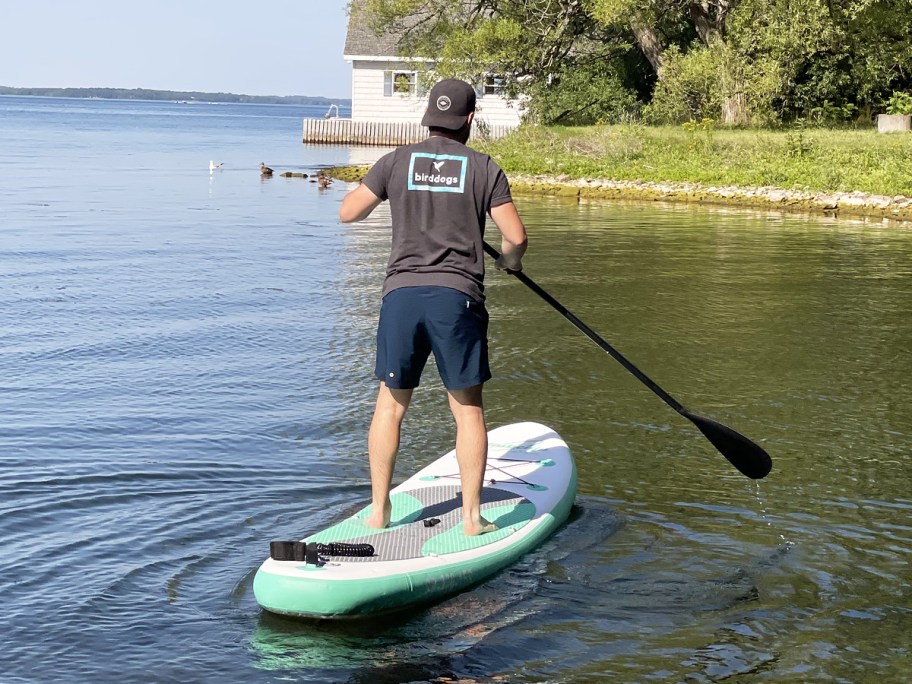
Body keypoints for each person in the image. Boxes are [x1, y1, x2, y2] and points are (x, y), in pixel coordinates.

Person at [339, 78, 528, 536]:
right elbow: (516, 237)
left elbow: (349, 211)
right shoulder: (485, 168)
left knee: (389, 406)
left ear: (428, 116)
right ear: (470, 120)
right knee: (467, 410)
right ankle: (470, 518)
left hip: (400, 297)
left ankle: (380, 511)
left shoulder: (395, 161)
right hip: (456, 298)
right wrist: (508, 262)